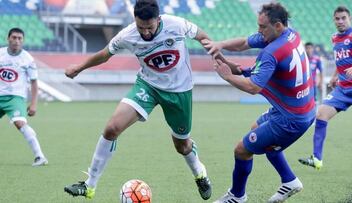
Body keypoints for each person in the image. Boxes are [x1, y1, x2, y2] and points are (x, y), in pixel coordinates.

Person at [63, 0, 213, 200]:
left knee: (182, 145)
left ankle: (199, 173)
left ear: (158, 20)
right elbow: (104, 54)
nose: (146, 33)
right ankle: (89, 185)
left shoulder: (176, 24)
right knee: (111, 129)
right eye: (141, 27)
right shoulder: (128, 35)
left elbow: (203, 37)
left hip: (179, 91)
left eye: (149, 27)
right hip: (148, 86)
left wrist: (220, 59)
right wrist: (79, 67)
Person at [202, 3, 315, 202]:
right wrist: (219, 45)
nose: (259, 31)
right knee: (257, 129)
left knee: (241, 150)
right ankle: (289, 181)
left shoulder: (271, 51)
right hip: (299, 108)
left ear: (278, 25)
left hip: (290, 119)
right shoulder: (291, 35)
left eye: (263, 27)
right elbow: (244, 43)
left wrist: (228, 76)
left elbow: (253, 87)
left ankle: (237, 196)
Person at [298, 6, 352, 170]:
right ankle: (317, 159)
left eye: (343, 18)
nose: (340, 21)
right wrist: (334, 77)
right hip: (343, 90)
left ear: (350, 19)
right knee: (321, 114)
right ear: (333, 20)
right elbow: (340, 59)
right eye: (337, 18)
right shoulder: (334, 38)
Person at [0, 28, 48, 167]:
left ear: (23, 41)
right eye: (14, 37)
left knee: (20, 123)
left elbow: (34, 82)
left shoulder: (27, 59)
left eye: (19, 38)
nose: (16, 41)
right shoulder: (1, 54)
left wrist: (34, 104)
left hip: (15, 98)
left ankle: (40, 156)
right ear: (8, 38)